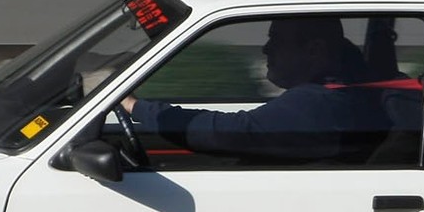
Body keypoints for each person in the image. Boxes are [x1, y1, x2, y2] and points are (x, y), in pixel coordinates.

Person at [122, 16, 395, 164]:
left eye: (275, 41)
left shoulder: (320, 103)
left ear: (314, 51)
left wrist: (135, 106)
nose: (266, 49)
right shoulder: (343, 90)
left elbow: (231, 133)